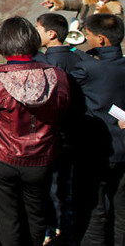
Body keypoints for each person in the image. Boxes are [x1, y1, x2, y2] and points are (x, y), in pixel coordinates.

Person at [0, 17, 70, 246]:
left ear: (1, 44)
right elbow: (64, 110)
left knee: (6, 217)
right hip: (43, 156)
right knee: (36, 214)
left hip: (2, 155)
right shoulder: (57, 76)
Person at [70, 13, 125, 245]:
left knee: (94, 212)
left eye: (89, 35)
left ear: (101, 39)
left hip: (96, 150)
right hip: (123, 149)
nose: (87, 39)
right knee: (122, 212)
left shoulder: (87, 70)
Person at [33, 12, 88, 239]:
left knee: (53, 184)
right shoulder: (81, 58)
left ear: (51, 33)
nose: (36, 33)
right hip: (79, 129)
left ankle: (54, 229)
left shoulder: (44, 63)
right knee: (73, 182)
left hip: (53, 132)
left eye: (38, 29)